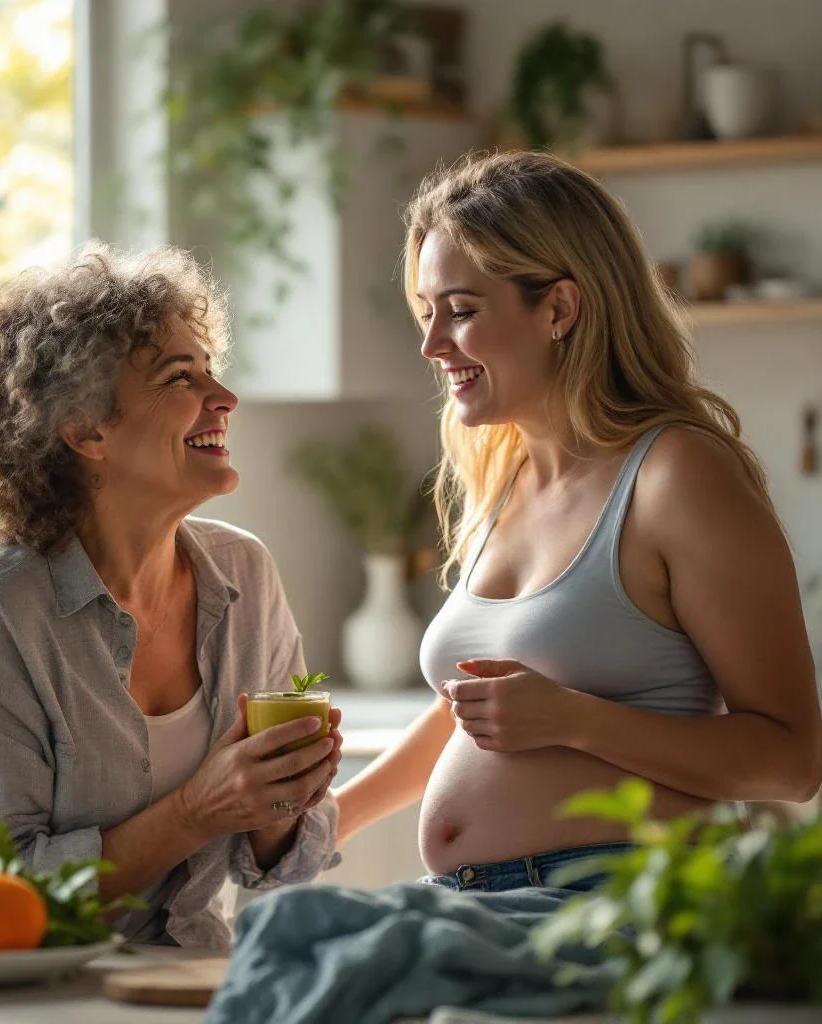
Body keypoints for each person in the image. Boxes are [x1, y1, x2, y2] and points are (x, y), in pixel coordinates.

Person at [335, 151, 822, 895]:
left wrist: (572, 720)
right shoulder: (504, 478)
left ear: (559, 309)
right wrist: (326, 823)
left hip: (606, 903)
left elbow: (791, 761)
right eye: (426, 313)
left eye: (461, 312)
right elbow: (476, 713)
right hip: (477, 901)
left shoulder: (675, 477)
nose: (433, 346)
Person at [0, 242, 342, 948]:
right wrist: (196, 811)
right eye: (179, 377)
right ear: (85, 429)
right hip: (36, 992)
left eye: (211, 370)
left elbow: (281, 865)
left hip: (189, 981)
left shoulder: (245, 573)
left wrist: (279, 798)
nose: (223, 399)